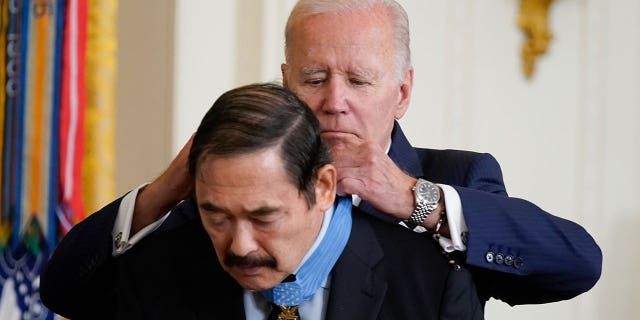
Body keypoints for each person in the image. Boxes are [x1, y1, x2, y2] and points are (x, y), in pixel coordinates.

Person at [44, 0, 601, 312]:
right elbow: (65, 291)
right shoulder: (236, 189)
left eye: (360, 80)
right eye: (314, 78)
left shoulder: (455, 177)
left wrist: (414, 198)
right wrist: (169, 186)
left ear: (402, 92)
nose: (334, 103)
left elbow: (577, 267)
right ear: (285, 82)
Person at [41, 83, 483, 319]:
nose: (239, 246)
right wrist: (161, 194)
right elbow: (65, 293)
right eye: (217, 215)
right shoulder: (162, 271)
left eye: (264, 216)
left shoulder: (431, 285)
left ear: (324, 188)